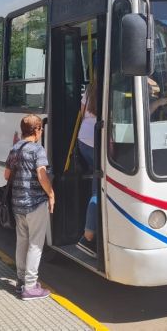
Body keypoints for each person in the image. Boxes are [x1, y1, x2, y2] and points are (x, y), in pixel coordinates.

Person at [4, 114, 54, 300]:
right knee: (35, 245)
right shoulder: (37, 150)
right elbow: (42, 176)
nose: (41, 132)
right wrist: (51, 194)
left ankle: (20, 281)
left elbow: (6, 175)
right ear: (37, 130)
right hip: (35, 204)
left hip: (17, 204)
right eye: (40, 129)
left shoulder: (15, 148)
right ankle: (31, 286)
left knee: (22, 241)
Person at [75, 79, 98, 258]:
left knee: (96, 184)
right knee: (99, 190)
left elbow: (83, 113)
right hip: (98, 141)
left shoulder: (91, 88)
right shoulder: (116, 82)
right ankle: (88, 237)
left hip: (84, 139)